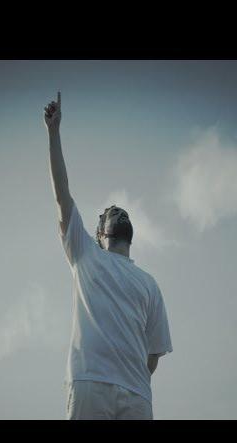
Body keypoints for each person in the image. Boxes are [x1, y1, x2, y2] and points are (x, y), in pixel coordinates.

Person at [44, 92, 173, 420]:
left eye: (122, 212)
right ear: (99, 235)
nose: (118, 211)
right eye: (109, 212)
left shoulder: (149, 284)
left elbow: (153, 355)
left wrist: (128, 376)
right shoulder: (86, 254)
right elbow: (61, 195)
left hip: (136, 396)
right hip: (90, 384)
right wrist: (54, 132)